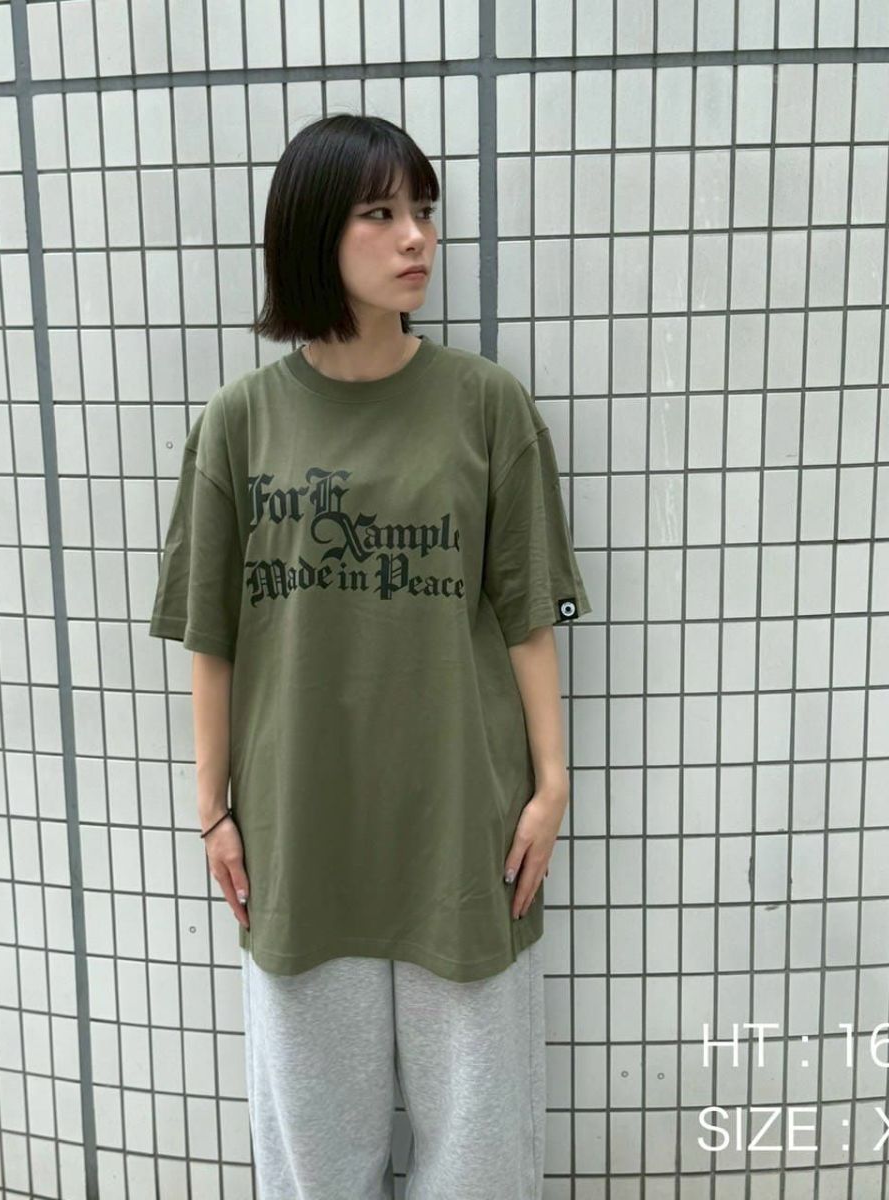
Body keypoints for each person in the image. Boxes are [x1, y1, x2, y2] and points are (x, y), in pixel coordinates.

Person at [149, 112, 592, 1200]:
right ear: (314, 232)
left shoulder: (486, 405)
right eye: (381, 213)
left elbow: (525, 614)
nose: (417, 238)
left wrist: (550, 786)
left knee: (482, 1148)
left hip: (465, 825)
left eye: (424, 212)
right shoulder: (240, 423)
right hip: (300, 829)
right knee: (313, 1151)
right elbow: (213, 633)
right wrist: (212, 808)